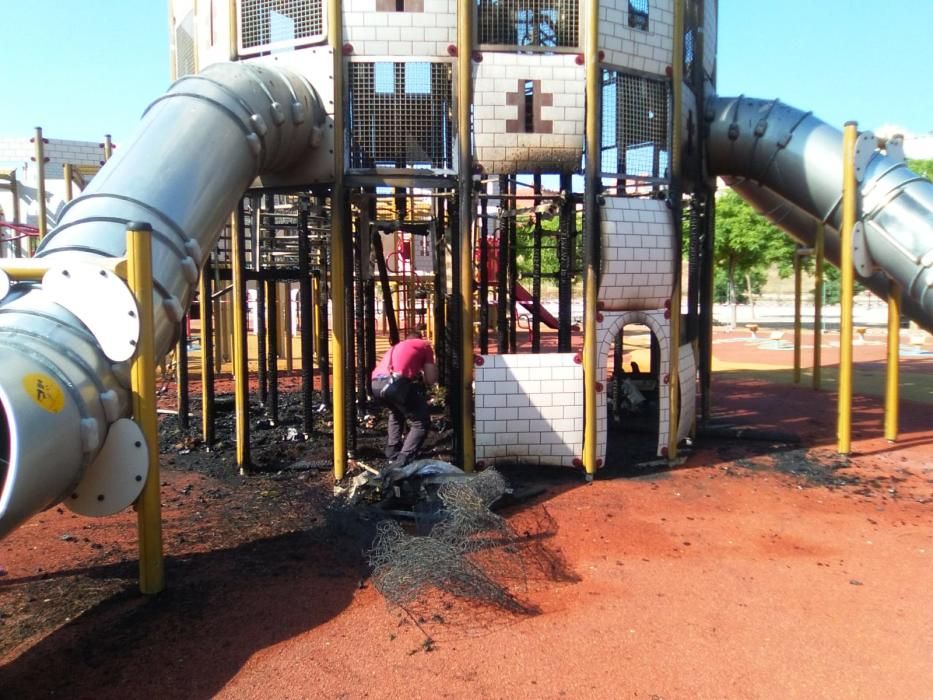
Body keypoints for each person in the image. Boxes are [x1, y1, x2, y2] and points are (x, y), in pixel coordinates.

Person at [371, 330, 438, 468]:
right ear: (420, 338)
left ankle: (392, 451)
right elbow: (430, 379)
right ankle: (404, 459)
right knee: (420, 422)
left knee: (396, 413)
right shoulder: (424, 345)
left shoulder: (396, 347)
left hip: (376, 383)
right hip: (395, 383)